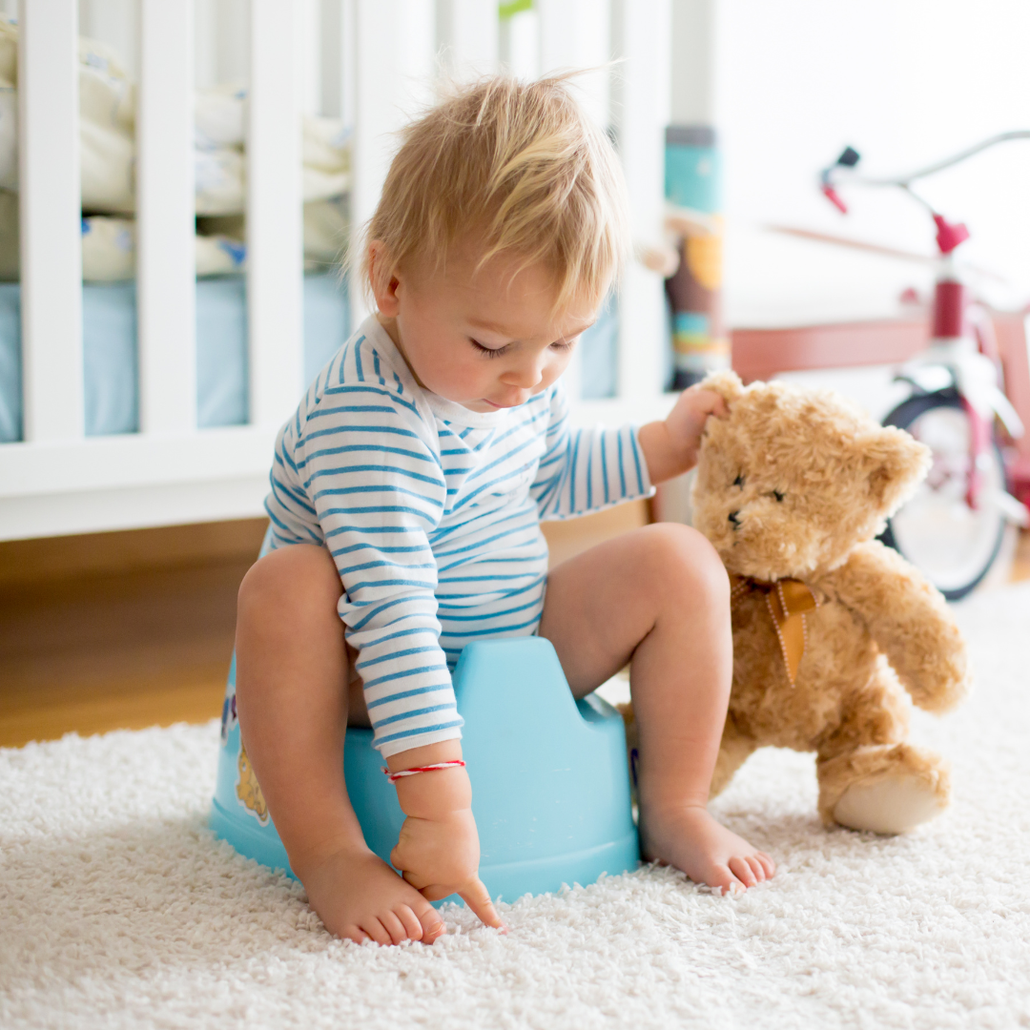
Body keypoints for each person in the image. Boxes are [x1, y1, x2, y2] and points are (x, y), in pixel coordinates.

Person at [234, 74, 774, 948]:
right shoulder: (369, 416)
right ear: (391, 281)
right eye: (492, 344)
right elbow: (394, 612)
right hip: (366, 672)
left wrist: (662, 446)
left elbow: (550, 473)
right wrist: (440, 806)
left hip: (507, 645)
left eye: (565, 341)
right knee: (285, 590)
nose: (530, 376)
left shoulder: (516, 382)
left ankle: (674, 803)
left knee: (680, 562)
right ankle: (331, 851)